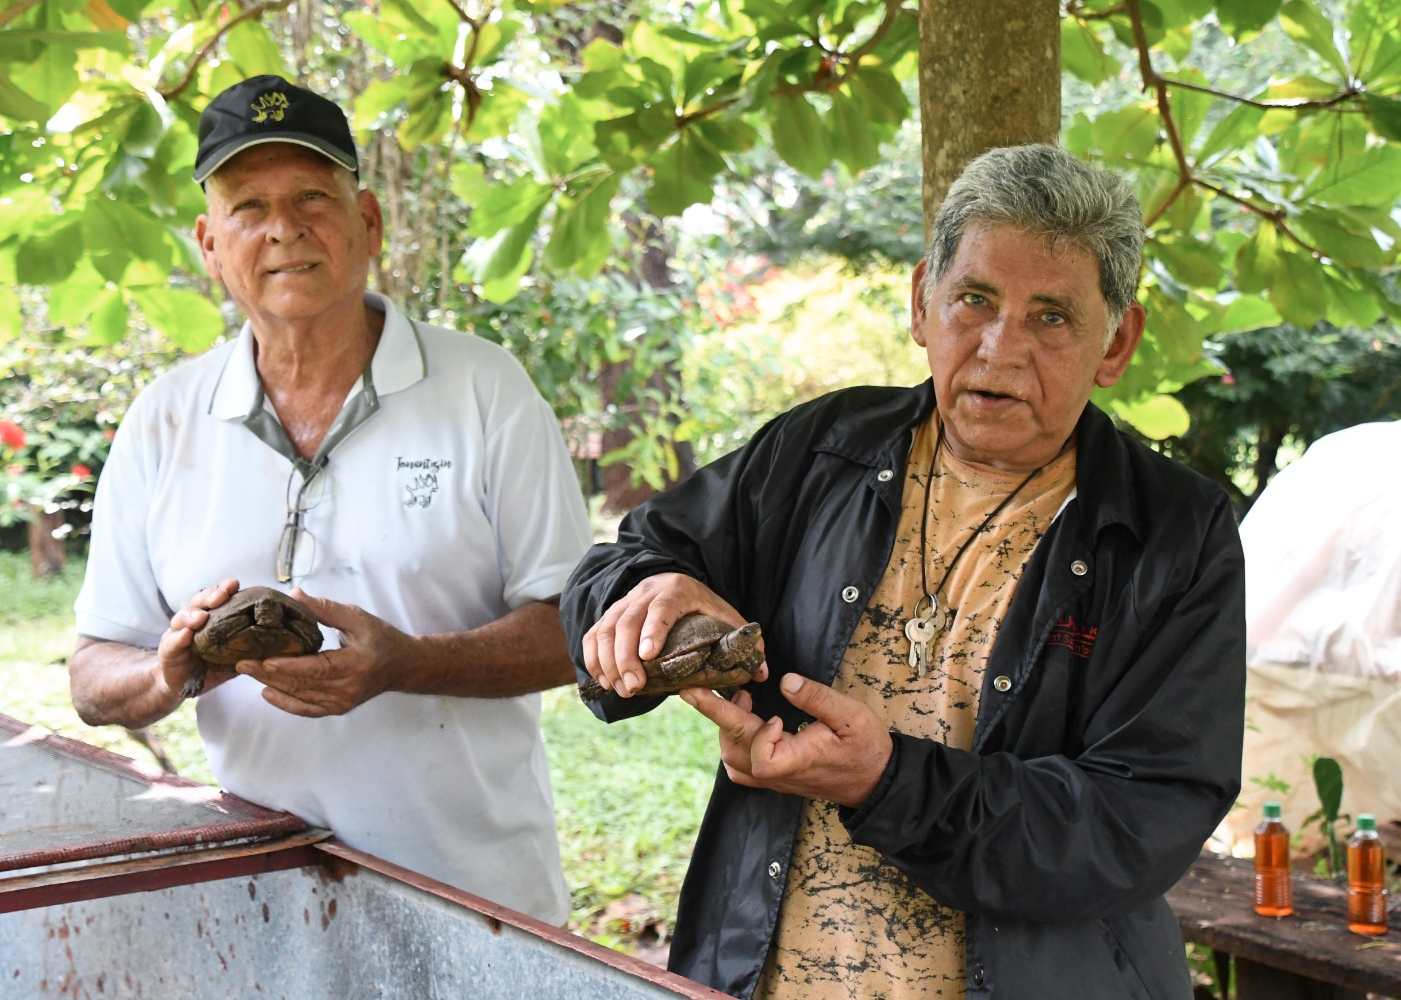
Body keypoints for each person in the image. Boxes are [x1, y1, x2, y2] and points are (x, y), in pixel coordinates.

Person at [561, 144, 1245, 999]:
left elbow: (1141, 818)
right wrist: (645, 594)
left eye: (1053, 317)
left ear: (1117, 342)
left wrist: (890, 785)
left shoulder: (1173, 532)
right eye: (976, 300)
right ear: (923, 301)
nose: (1000, 348)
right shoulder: (822, 450)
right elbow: (622, 560)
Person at [68, 75, 592, 924]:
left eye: (313, 195)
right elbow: (93, 674)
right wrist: (164, 672)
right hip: (259, 903)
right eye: (247, 206)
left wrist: (409, 665)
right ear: (209, 243)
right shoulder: (162, 419)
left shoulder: (484, 389)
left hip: (479, 899)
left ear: (368, 222)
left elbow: (573, 629)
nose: (283, 228)